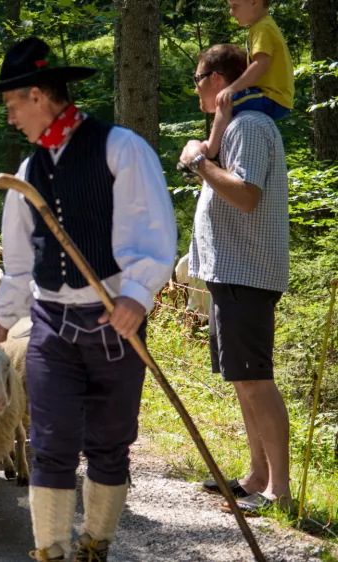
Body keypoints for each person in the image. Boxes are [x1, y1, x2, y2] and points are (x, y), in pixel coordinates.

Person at [0, 37, 177, 561]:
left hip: (114, 322)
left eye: (12, 104)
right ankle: (51, 551)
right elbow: (20, 261)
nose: (10, 118)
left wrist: (136, 296)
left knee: (109, 442)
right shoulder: (28, 173)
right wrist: (3, 316)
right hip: (52, 325)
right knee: (50, 442)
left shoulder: (121, 149)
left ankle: (94, 544)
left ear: (38, 96)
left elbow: (154, 234)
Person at [179, 43, 292, 516]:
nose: (196, 90)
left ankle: (279, 491)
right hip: (230, 274)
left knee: (256, 379)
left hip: (248, 273)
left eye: (198, 79)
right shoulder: (234, 125)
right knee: (243, 379)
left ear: (218, 79)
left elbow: (246, 195)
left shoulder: (250, 126)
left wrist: (198, 163)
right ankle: (256, 477)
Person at [203, 0, 293, 162]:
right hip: (272, 96)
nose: (231, 12)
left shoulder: (262, 28)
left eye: (235, 6)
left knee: (225, 102)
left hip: (271, 96)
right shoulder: (262, 26)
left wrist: (232, 89)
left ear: (254, 2)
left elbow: (261, 64)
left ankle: (210, 152)